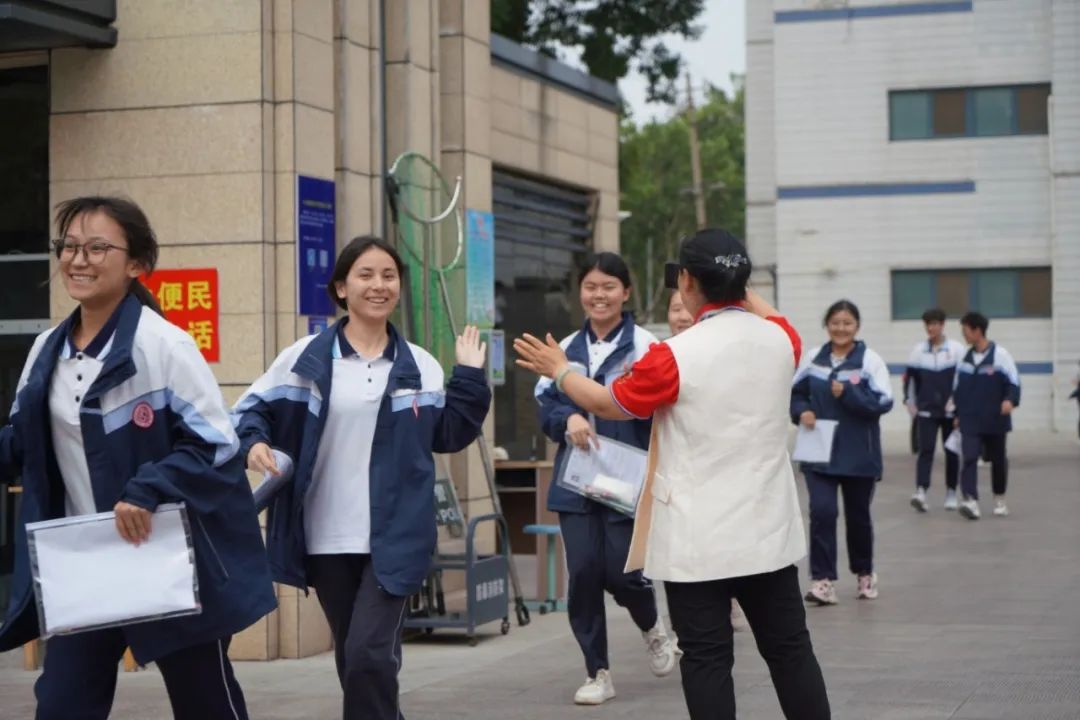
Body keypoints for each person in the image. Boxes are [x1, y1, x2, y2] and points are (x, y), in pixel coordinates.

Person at [516, 229, 831, 720]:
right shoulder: (783, 341)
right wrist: (733, 278)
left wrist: (559, 369)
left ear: (686, 281)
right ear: (742, 281)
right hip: (768, 530)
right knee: (790, 651)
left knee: (706, 660)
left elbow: (607, 403)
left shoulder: (673, 355)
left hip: (697, 539)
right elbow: (769, 314)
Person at [0, 196, 276, 720]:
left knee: (206, 704)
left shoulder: (164, 346)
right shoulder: (45, 353)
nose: (79, 260)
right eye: (70, 247)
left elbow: (218, 444)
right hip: (85, 562)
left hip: (168, 559)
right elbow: (22, 443)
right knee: (61, 706)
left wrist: (147, 487)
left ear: (135, 265)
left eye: (98, 247)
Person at [232, 236, 491, 720]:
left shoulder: (421, 366)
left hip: (395, 535)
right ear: (341, 288)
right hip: (325, 535)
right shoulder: (304, 359)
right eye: (366, 275)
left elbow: (450, 433)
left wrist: (471, 377)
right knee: (356, 657)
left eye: (388, 276)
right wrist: (254, 444)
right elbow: (250, 410)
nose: (379, 285)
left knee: (370, 655)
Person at [534, 252, 676, 706]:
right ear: (581, 292)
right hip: (575, 481)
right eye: (591, 287)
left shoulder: (646, 347)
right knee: (584, 573)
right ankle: (597, 671)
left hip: (625, 478)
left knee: (623, 570)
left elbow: (658, 407)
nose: (599, 295)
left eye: (609, 287)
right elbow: (545, 406)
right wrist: (568, 416)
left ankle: (653, 627)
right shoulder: (564, 348)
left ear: (626, 293)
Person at [791, 300, 893, 606]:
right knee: (822, 513)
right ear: (827, 325)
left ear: (857, 327)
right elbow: (795, 395)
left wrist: (848, 393)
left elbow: (882, 403)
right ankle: (822, 581)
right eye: (835, 322)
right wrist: (803, 411)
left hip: (859, 455)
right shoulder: (814, 359)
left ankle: (865, 572)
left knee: (858, 518)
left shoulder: (869, 361)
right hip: (819, 453)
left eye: (847, 323)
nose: (840, 328)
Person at [667, 289, 748, 633]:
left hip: (722, 465)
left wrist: (563, 373)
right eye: (674, 309)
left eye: (687, 307)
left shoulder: (724, 351)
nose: (682, 316)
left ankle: (727, 598)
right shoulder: (660, 354)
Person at [953, 312, 1020, 520]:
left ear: (977, 330)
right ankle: (970, 500)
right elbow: (957, 389)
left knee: (998, 459)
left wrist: (1010, 400)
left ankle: (999, 498)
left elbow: (1014, 383)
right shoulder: (964, 359)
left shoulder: (1001, 355)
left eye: (965, 331)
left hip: (995, 419)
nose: (964, 335)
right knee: (970, 457)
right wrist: (956, 414)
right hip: (970, 419)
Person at [903, 308, 966, 512]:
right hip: (926, 412)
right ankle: (921, 491)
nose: (931, 328)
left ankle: (951, 493)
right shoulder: (918, 351)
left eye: (935, 324)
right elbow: (910, 382)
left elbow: (964, 381)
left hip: (950, 412)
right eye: (928, 324)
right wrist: (911, 404)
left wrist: (959, 407)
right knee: (925, 451)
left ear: (942, 325)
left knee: (951, 452)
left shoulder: (957, 350)